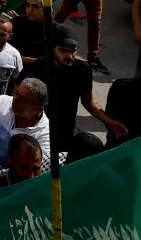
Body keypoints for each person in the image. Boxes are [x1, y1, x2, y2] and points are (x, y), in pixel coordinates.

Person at [19, 25, 126, 160]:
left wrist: (109, 122)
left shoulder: (82, 70)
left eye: (73, 51)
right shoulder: (35, 69)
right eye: (63, 50)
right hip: (35, 133)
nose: (69, 56)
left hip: (65, 134)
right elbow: (16, 98)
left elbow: (88, 101)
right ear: (51, 49)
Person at [0, 79, 51, 171]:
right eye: (16, 93)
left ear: (38, 110)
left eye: (23, 99)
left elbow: (32, 172)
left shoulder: (44, 137)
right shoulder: (1, 102)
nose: (14, 99)